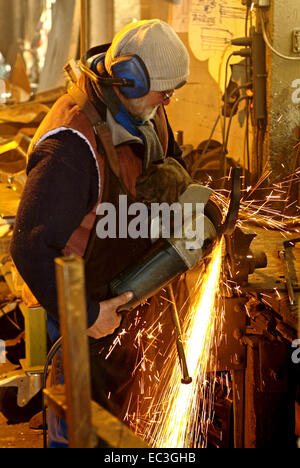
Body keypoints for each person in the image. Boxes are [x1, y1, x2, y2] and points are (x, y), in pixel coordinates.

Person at [10, 19, 191, 447]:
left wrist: (184, 194)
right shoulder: (71, 144)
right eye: (163, 91)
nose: (168, 100)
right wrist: (88, 315)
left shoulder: (146, 111)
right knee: (81, 429)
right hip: (82, 309)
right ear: (127, 80)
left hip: (126, 297)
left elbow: (174, 161)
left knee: (121, 429)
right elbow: (30, 246)